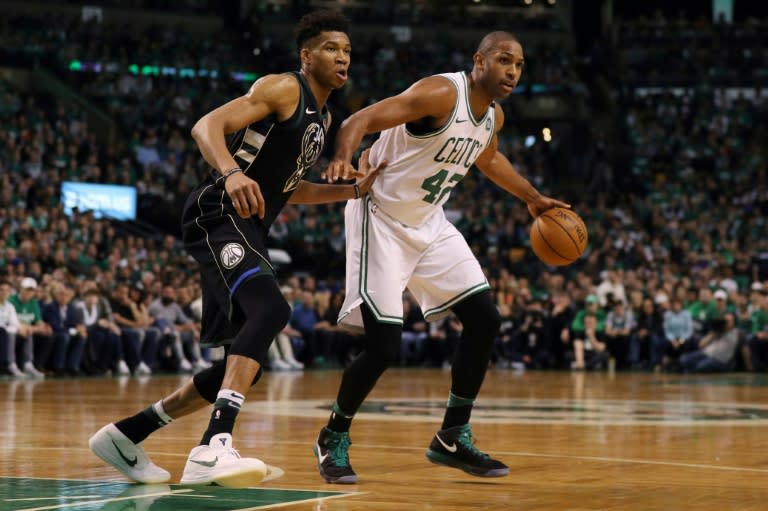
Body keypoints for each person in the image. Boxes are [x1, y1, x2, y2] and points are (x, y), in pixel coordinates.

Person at [88, 10, 381, 487]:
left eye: (347, 50)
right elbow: (207, 126)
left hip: (248, 226)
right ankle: (213, 446)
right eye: (332, 48)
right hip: (217, 212)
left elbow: (292, 188)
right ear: (306, 57)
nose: (343, 57)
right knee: (271, 311)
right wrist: (231, 172)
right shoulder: (284, 88)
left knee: (238, 366)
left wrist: (351, 192)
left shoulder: (323, 118)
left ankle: (125, 435)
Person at [315, 31, 568, 483]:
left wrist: (531, 198)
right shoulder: (439, 93)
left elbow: (489, 161)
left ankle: (452, 435)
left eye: (520, 65)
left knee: (485, 319)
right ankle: (333, 435)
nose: (512, 71)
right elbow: (358, 119)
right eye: (504, 60)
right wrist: (341, 159)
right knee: (383, 348)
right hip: (381, 215)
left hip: (430, 222)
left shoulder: (493, 117)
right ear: (479, 61)